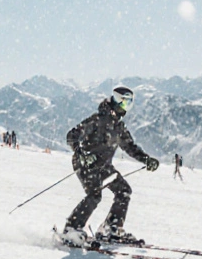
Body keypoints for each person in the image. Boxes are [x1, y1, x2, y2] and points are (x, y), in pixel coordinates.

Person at [60, 86, 158, 247]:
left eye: (129, 103)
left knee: (123, 190)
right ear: (116, 100)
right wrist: (82, 153)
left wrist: (146, 160)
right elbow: (72, 135)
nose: (126, 106)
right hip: (86, 164)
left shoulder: (119, 127)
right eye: (124, 102)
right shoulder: (98, 120)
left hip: (104, 167)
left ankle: (111, 228)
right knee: (94, 195)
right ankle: (71, 229)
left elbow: (130, 147)